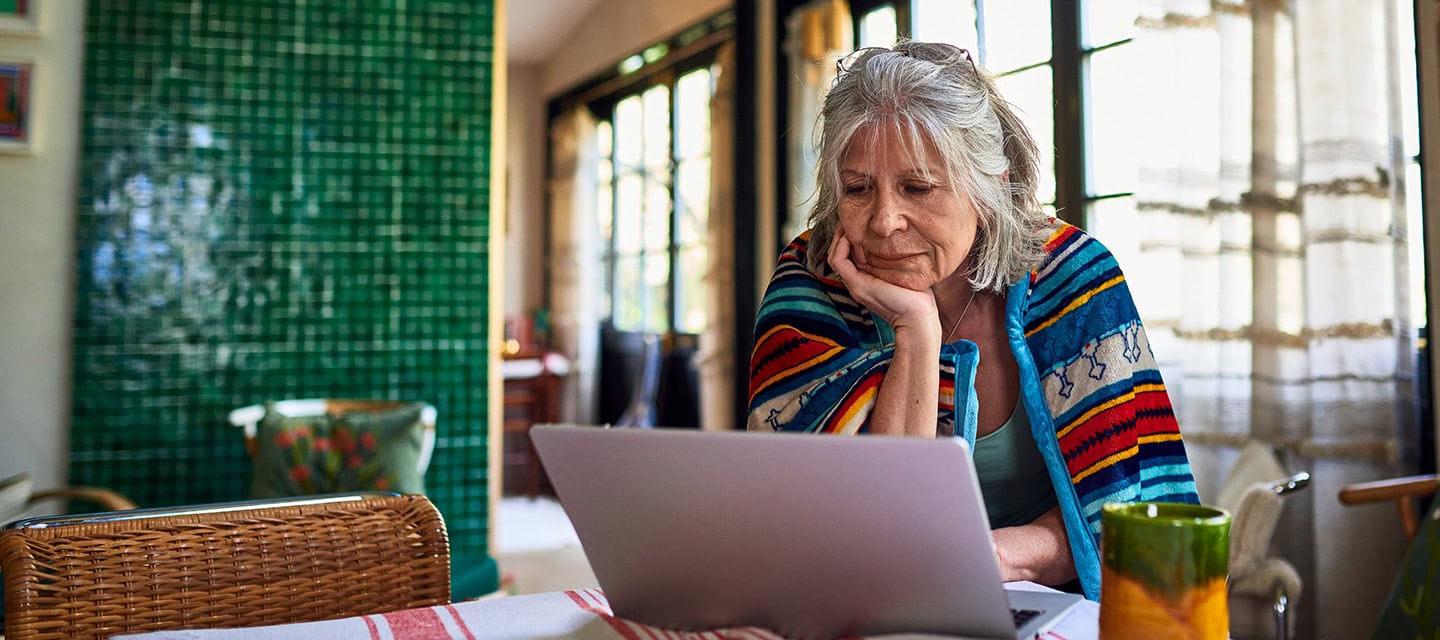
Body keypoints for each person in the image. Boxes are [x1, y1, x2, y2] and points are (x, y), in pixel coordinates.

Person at [747, 41, 1199, 601]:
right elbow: (851, 531)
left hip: (1055, 604)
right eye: (858, 189)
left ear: (991, 188)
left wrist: (990, 555)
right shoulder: (809, 285)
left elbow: (1124, 511)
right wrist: (915, 331)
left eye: (918, 187)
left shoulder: (1076, 279)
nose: (884, 221)